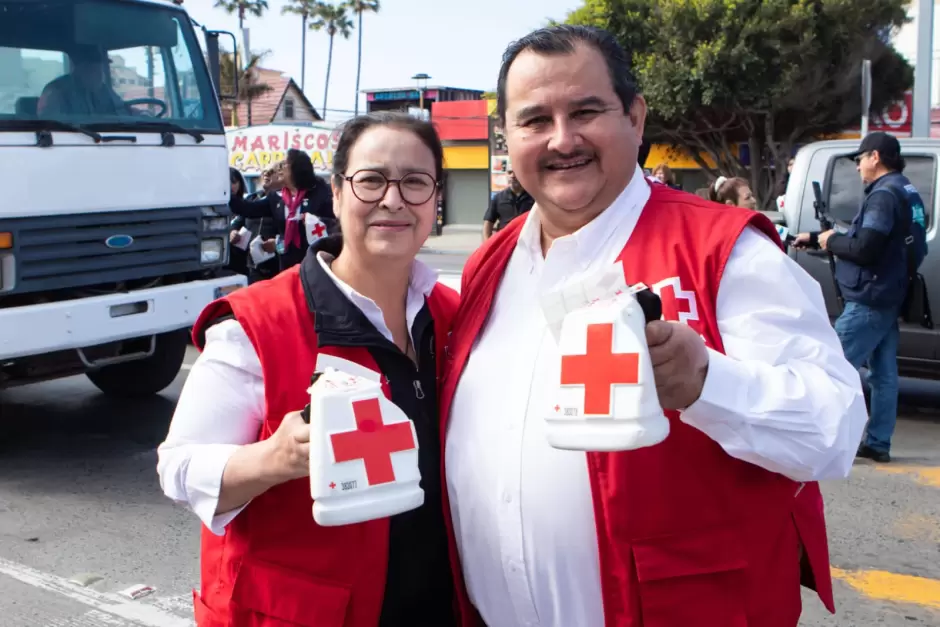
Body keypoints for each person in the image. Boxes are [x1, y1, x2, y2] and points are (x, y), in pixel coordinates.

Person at [440, 25, 867, 627]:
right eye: (535, 120)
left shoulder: (724, 250)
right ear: (507, 138)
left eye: (586, 110)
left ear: (635, 119)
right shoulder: (489, 264)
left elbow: (834, 428)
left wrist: (705, 382)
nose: (563, 140)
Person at [157, 112, 459, 627]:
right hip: (305, 612)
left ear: (435, 199)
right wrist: (275, 458)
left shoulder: (455, 314)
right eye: (371, 180)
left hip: (438, 602)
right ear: (337, 193)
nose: (393, 199)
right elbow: (180, 472)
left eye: (414, 181)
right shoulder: (254, 325)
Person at [793, 132, 927, 463]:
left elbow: (866, 248)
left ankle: (822, 440)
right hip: (890, 293)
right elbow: (889, 241)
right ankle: (878, 443)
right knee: (883, 374)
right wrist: (817, 238)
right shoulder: (906, 189)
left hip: (870, 299)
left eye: (859, 159)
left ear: (875, 157)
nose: (857, 167)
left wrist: (830, 241)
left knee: (831, 368)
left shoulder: (883, 195)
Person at [230, 149, 336, 271]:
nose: (278, 169)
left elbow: (336, 223)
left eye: (283, 165)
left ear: (297, 168)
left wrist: (315, 221)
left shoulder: (321, 192)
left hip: (316, 262)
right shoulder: (275, 198)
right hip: (286, 265)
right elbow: (247, 209)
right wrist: (225, 192)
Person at [37, 46, 127, 117]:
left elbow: (120, 109)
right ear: (80, 68)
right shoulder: (56, 89)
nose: (100, 75)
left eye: (100, 69)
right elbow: (49, 123)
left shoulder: (104, 90)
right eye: (94, 69)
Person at [483, 169, 535, 240]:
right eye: (509, 172)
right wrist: (487, 244)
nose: (512, 176)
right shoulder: (498, 197)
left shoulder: (534, 197)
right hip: (505, 242)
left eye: (516, 172)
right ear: (506, 175)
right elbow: (488, 222)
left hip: (527, 242)